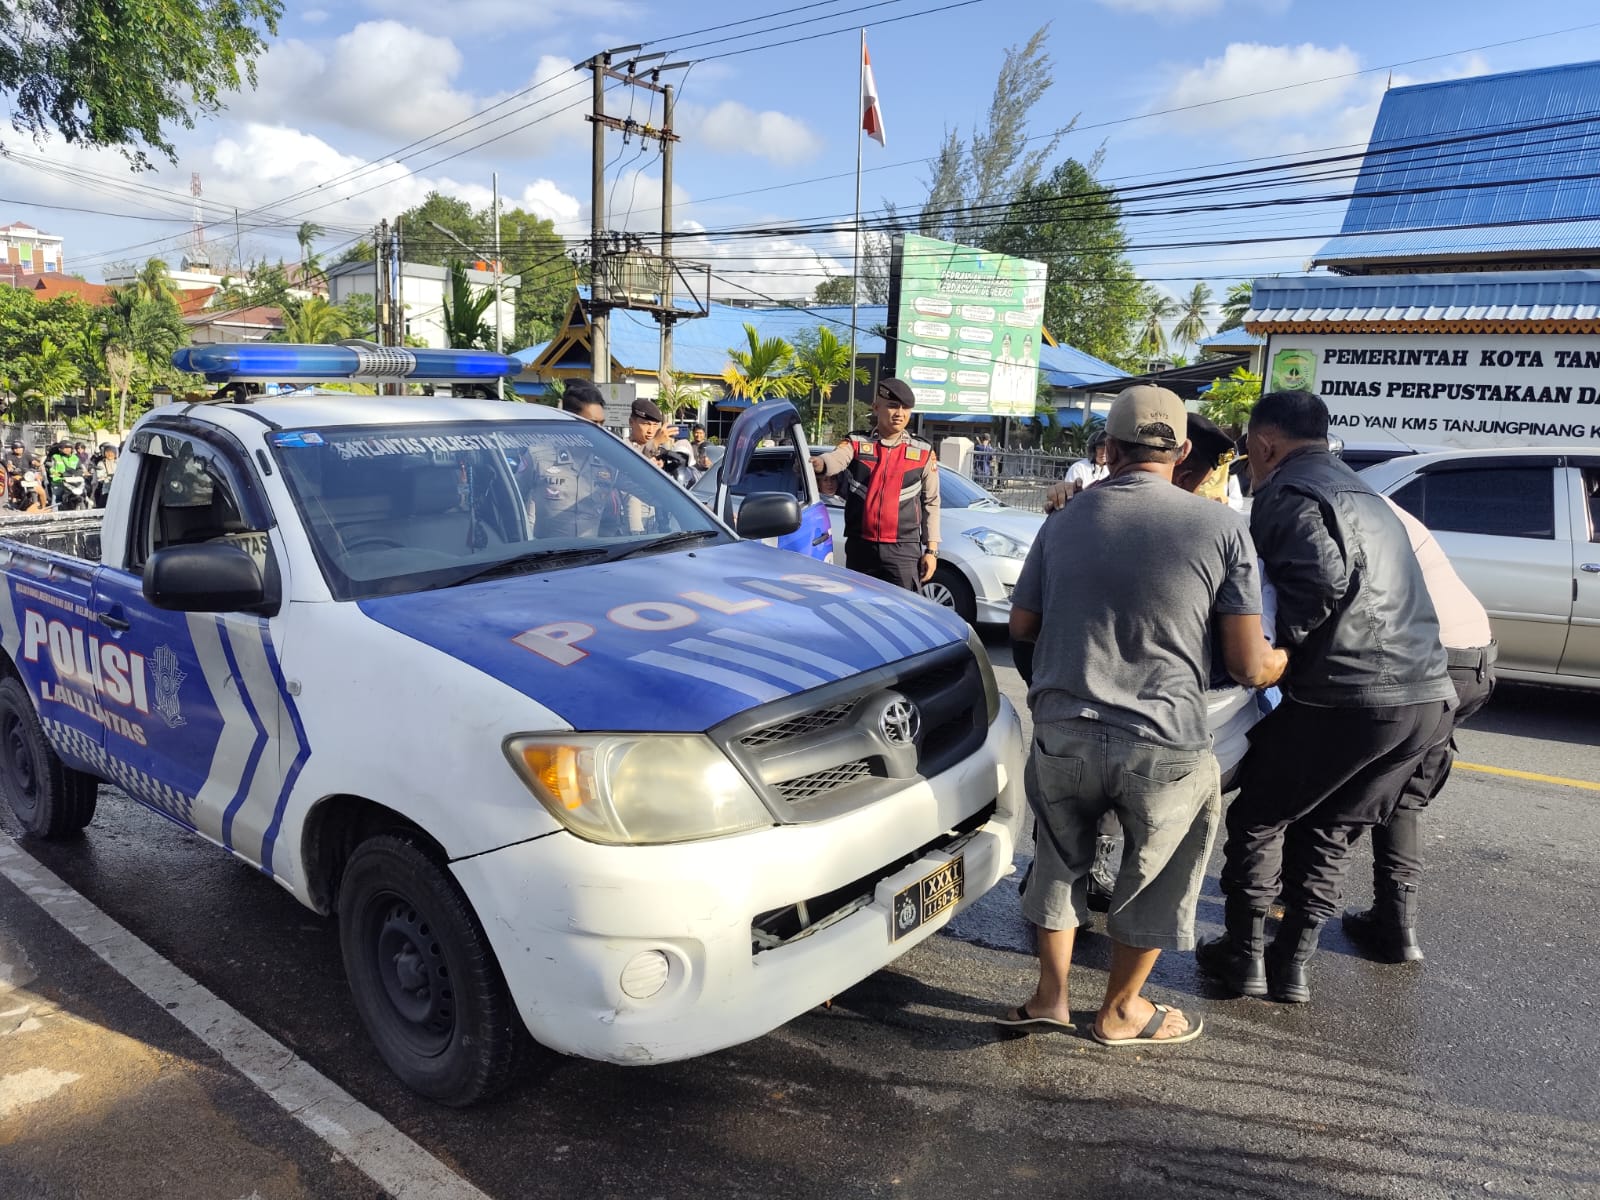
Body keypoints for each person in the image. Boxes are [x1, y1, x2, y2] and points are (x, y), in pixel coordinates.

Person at [1003, 385, 1285, 1047]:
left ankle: (1049, 995)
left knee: (1056, 865)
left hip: (1064, 727)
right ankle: (1121, 1011)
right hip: (1163, 738)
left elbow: (1022, 625)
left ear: (1108, 449)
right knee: (1154, 875)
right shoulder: (1220, 528)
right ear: (1183, 450)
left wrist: (1051, 685)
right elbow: (1247, 664)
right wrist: (1284, 662)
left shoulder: (1064, 519)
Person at [1196, 391, 1454, 1005]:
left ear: (1264, 445)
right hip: (1424, 700)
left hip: (1347, 693)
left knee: (1260, 816)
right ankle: (1292, 968)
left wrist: (1282, 652)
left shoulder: (1287, 491)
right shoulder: (1363, 491)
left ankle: (1245, 958)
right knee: (1329, 828)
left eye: (1249, 460)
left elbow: (1319, 579)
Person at [1320, 500, 1496, 964]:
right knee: (1404, 795)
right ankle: (1396, 926)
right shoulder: (1374, 504)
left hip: (1424, 659)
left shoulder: (1327, 508)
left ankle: (1299, 918)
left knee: (1344, 789)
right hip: (1473, 657)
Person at [811, 378, 940, 590]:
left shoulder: (923, 451)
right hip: (861, 547)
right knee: (859, 611)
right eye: (892, 406)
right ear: (876, 407)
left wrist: (932, 551)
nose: (899, 413)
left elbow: (932, 502)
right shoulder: (856, 443)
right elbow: (836, 459)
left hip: (903, 551)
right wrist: (819, 464)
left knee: (903, 615)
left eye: (905, 407)